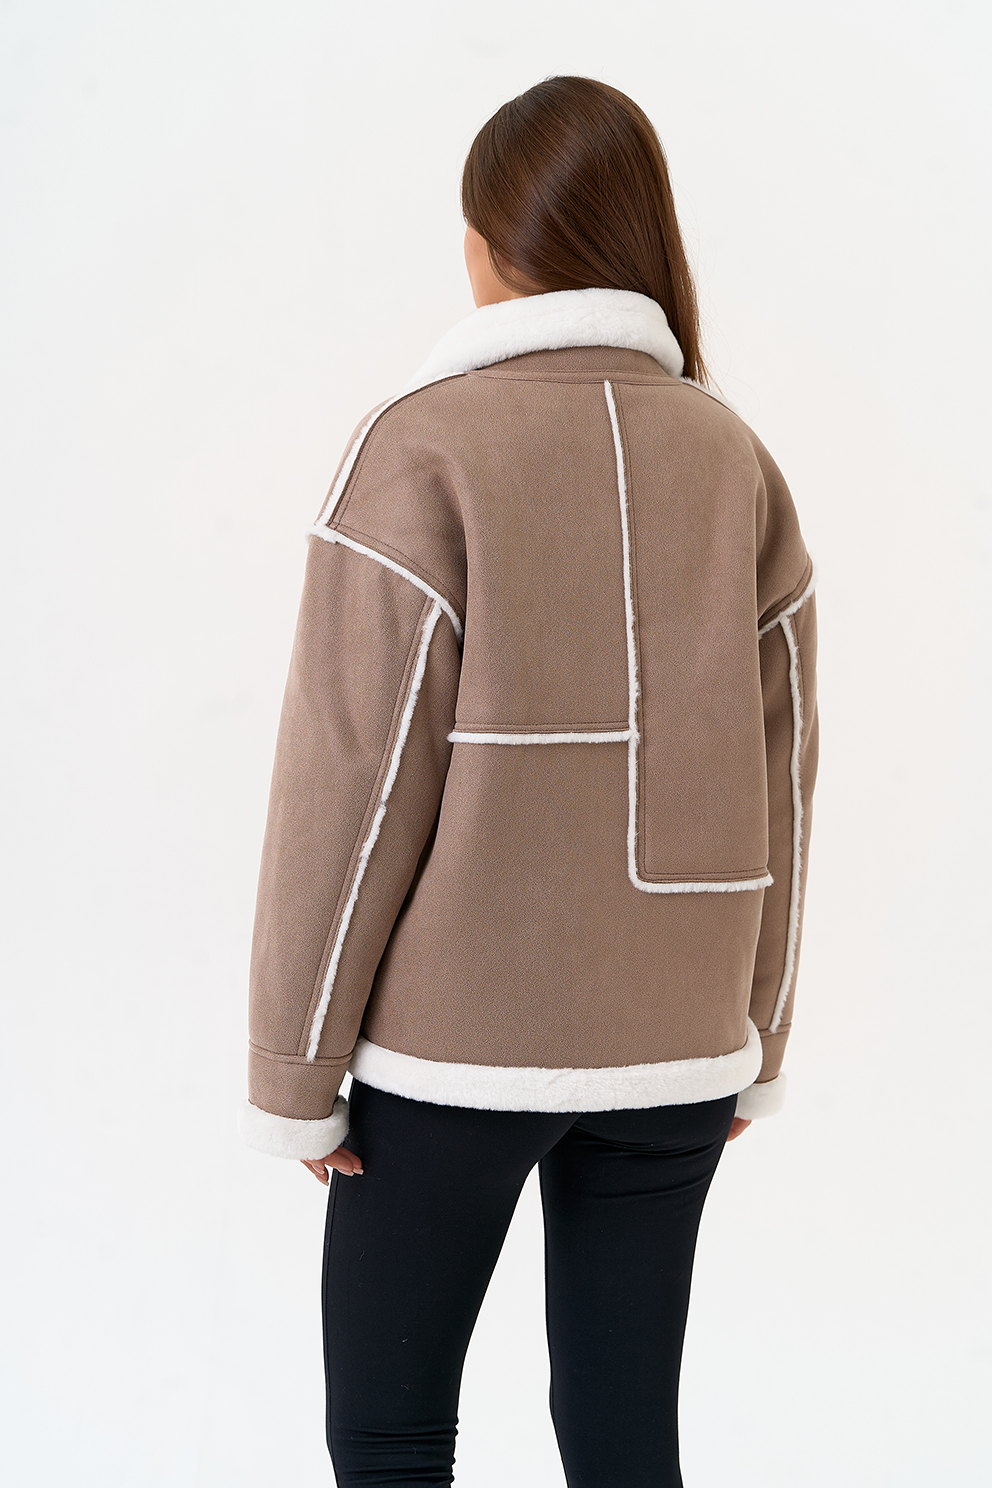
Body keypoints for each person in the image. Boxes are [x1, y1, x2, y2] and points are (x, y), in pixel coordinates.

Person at [239, 75, 819, 1488]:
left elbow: (349, 778)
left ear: (488, 241)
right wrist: (758, 1033)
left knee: (389, 1440)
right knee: (624, 1441)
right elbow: (787, 768)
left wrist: (296, 1071)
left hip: (453, 1051)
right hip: (679, 1046)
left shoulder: (422, 444)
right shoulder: (736, 457)